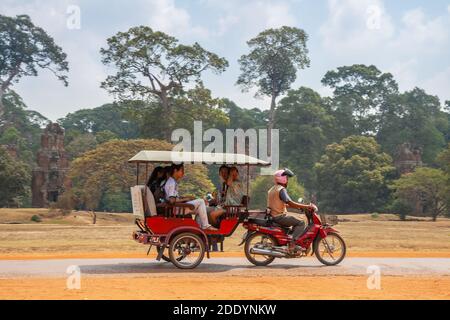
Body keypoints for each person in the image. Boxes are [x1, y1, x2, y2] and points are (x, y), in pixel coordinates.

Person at [267, 168, 317, 254]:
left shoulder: (272, 189)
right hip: (279, 217)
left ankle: (291, 242)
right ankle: (292, 244)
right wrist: (307, 206)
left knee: (294, 222)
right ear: (283, 179)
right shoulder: (281, 190)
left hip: (274, 216)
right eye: (287, 178)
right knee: (301, 222)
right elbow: (290, 202)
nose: (287, 180)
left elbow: (281, 204)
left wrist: (298, 207)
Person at [164, 164, 218, 231]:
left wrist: (186, 197)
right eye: (182, 170)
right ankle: (205, 226)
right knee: (201, 201)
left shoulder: (172, 181)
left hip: (176, 208)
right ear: (175, 171)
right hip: (177, 209)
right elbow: (171, 200)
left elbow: (174, 197)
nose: (183, 173)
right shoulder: (172, 182)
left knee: (201, 208)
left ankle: (199, 227)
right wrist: (186, 199)